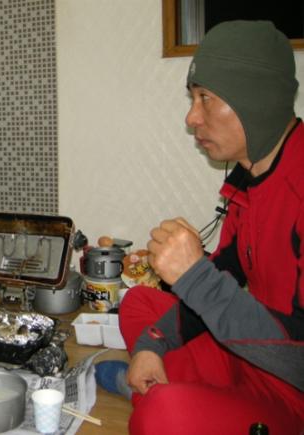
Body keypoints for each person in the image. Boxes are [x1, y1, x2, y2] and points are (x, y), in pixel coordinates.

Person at [95, 21, 304, 434]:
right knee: (138, 302)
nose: (191, 117)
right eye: (193, 98)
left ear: (255, 98)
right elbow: (226, 273)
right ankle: (170, 385)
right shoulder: (249, 179)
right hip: (245, 357)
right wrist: (153, 344)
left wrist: (195, 277)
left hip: (290, 392)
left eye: (205, 98)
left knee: (161, 416)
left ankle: (151, 392)